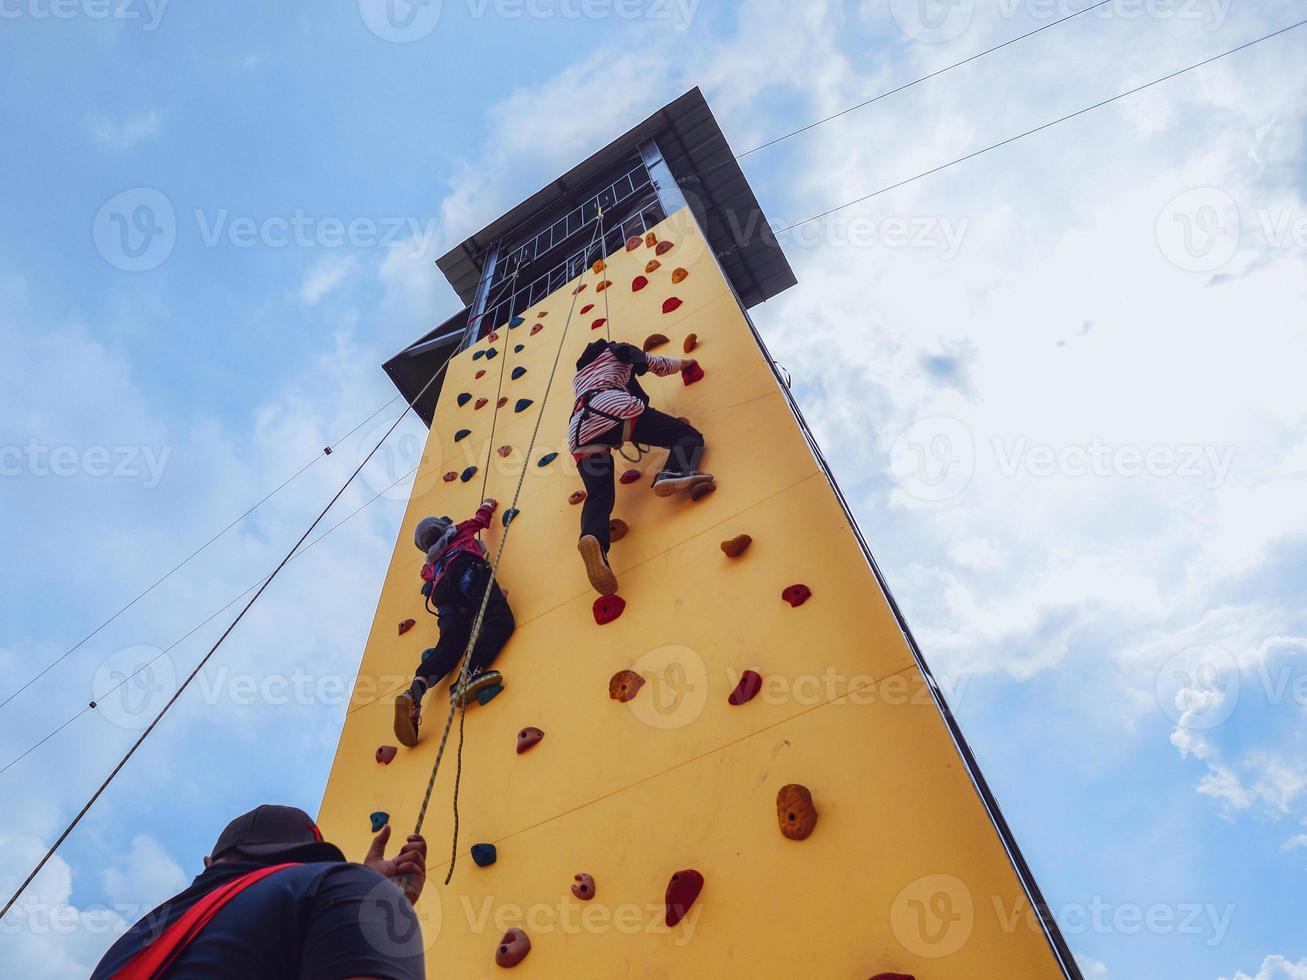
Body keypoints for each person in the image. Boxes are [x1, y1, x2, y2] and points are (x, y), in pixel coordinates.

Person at [91, 804, 427, 980]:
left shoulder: (129, 946)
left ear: (209, 863)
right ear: (312, 856)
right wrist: (379, 901)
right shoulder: (340, 888)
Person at [568, 338, 713, 595]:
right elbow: (657, 364)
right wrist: (684, 363)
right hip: (613, 409)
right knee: (688, 437)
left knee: (599, 494)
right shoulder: (617, 352)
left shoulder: (579, 378)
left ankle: (593, 539)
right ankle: (674, 472)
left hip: (578, 430)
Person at [394, 499, 515, 747]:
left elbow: (425, 575)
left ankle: (414, 692)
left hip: (443, 593)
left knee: (448, 646)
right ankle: (469, 675)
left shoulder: (431, 562)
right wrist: (488, 505)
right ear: (441, 526)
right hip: (466, 569)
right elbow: (480, 521)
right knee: (499, 620)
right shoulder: (458, 531)